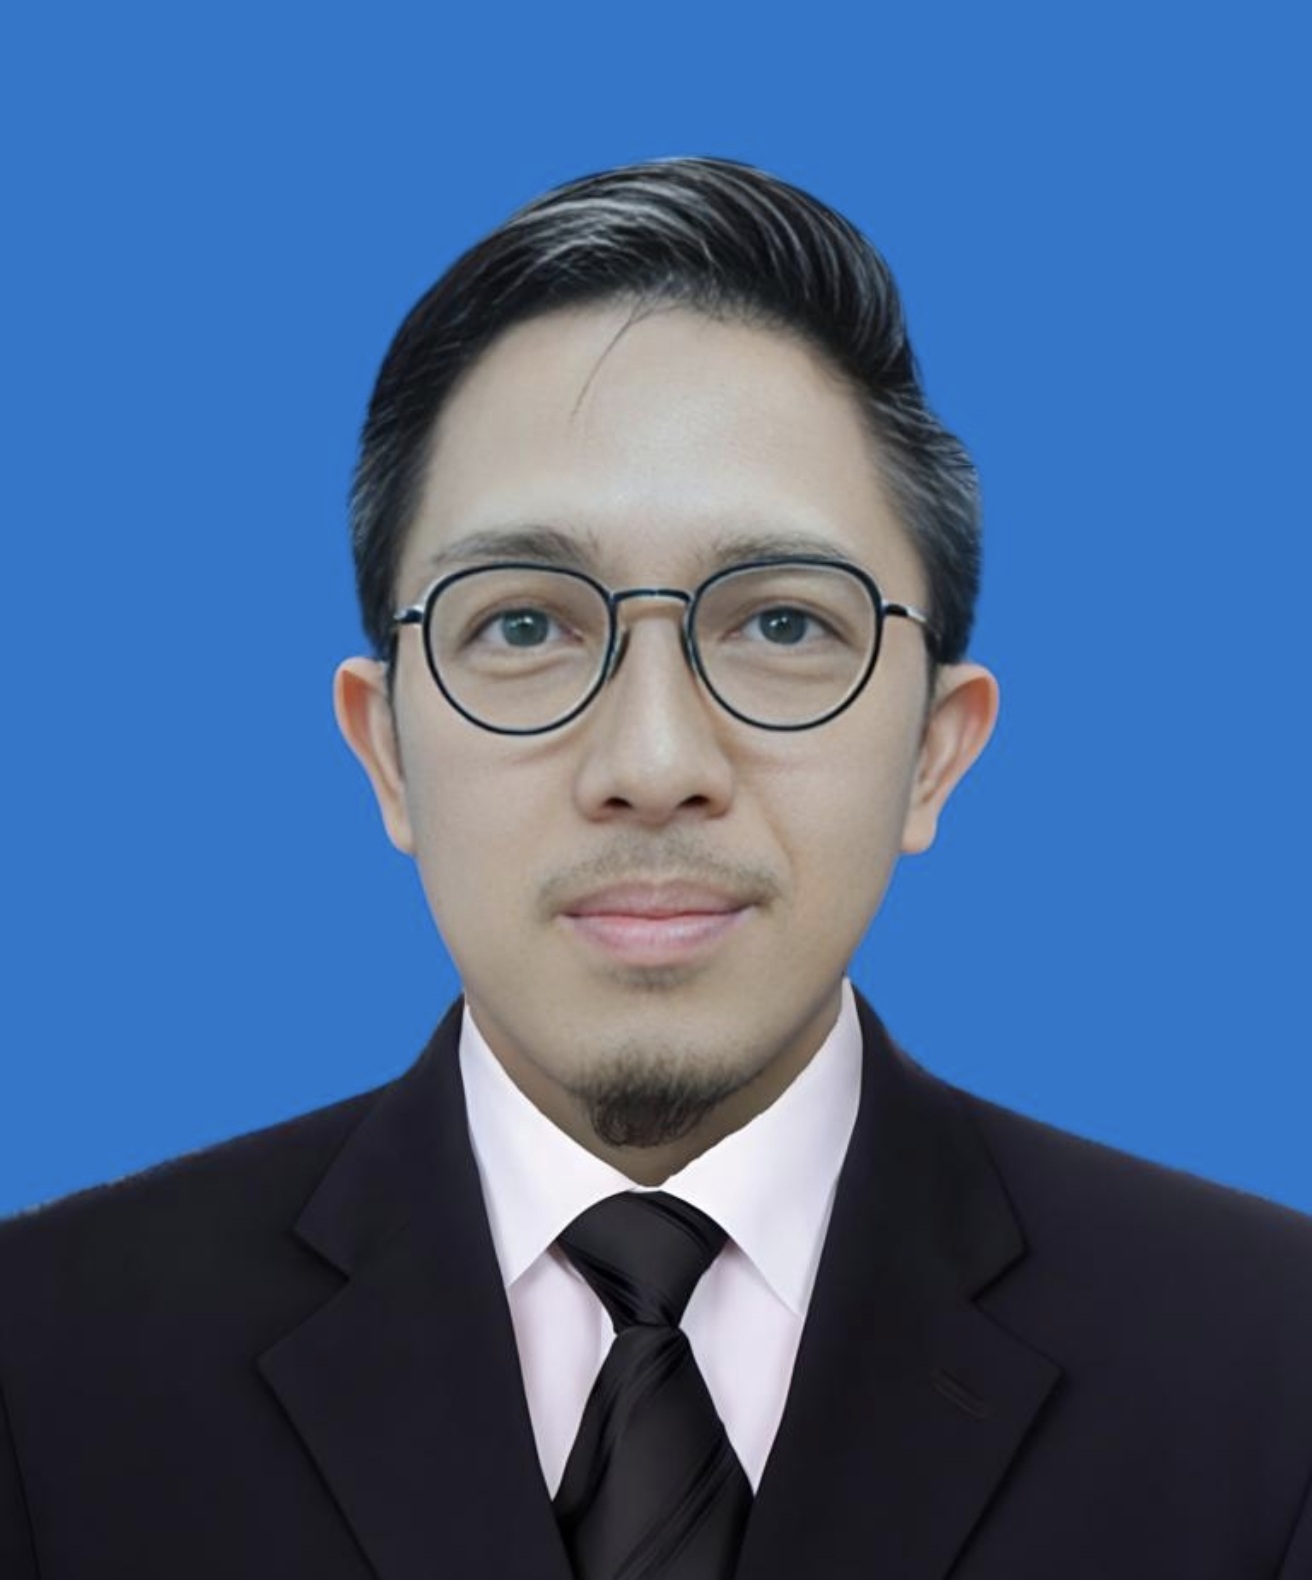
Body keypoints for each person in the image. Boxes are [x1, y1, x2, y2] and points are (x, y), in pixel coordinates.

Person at [1, 155, 1310, 1579]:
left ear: (936, 751)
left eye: (783, 624)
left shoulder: (1268, 1368)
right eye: (523, 625)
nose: (653, 758)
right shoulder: (45, 1364)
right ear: (386, 753)